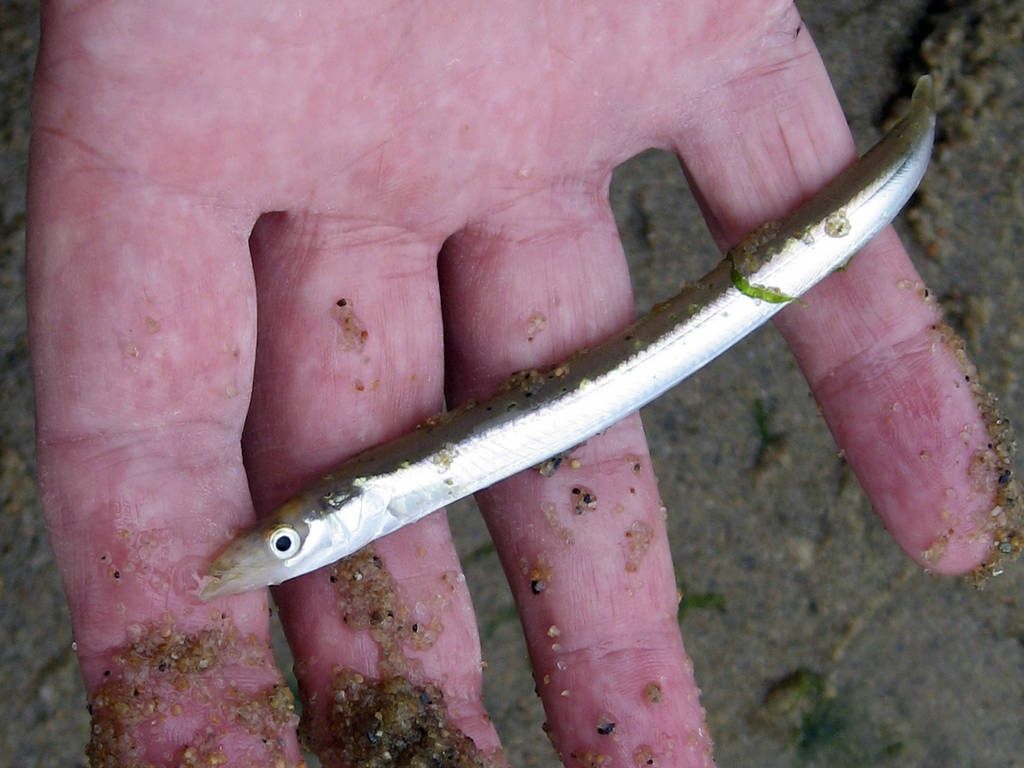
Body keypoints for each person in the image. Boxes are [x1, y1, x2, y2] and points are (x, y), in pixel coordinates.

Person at [26, 2, 1001, 765]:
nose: (279, 551)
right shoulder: (360, 496)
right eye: (284, 542)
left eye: (290, 543)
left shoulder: (354, 498)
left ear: (347, 509)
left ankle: (916, 119)